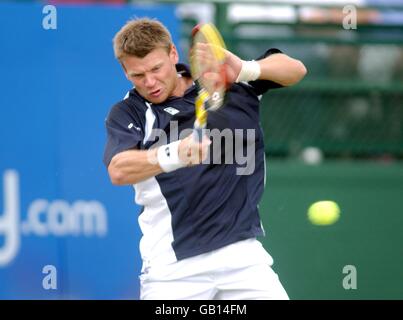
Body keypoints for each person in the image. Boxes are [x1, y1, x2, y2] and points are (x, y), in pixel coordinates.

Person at [103, 18, 307, 300]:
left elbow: (296, 70)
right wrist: (175, 153)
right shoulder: (129, 113)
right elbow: (118, 170)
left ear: (173, 54)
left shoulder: (229, 82)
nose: (150, 82)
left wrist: (245, 69)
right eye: (138, 75)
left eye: (156, 69)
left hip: (241, 256)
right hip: (173, 268)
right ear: (125, 72)